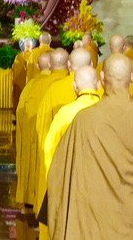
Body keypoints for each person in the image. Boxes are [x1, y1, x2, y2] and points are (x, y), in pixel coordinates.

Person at [47, 55, 133, 240]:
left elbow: (59, 173)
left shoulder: (83, 119)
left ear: (102, 78)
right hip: (131, 216)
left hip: (90, 218)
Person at [34, 49, 92, 214]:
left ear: (69, 65)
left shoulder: (54, 89)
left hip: (61, 165)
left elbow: (43, 127)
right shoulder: (101, 94)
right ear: (92, 65)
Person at [41, 66, 102, 175]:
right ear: (99, 84)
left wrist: (54, 181)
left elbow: (49, 149)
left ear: (74, 86)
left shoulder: (64, 113)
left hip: (72, 177)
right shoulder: (108, 111)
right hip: (102, 179)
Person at [15, 51, 56, 209]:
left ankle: (31, 195)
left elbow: (21, 112)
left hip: (36, 136)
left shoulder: (32, 85)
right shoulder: (66, 84)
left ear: (38, 66)